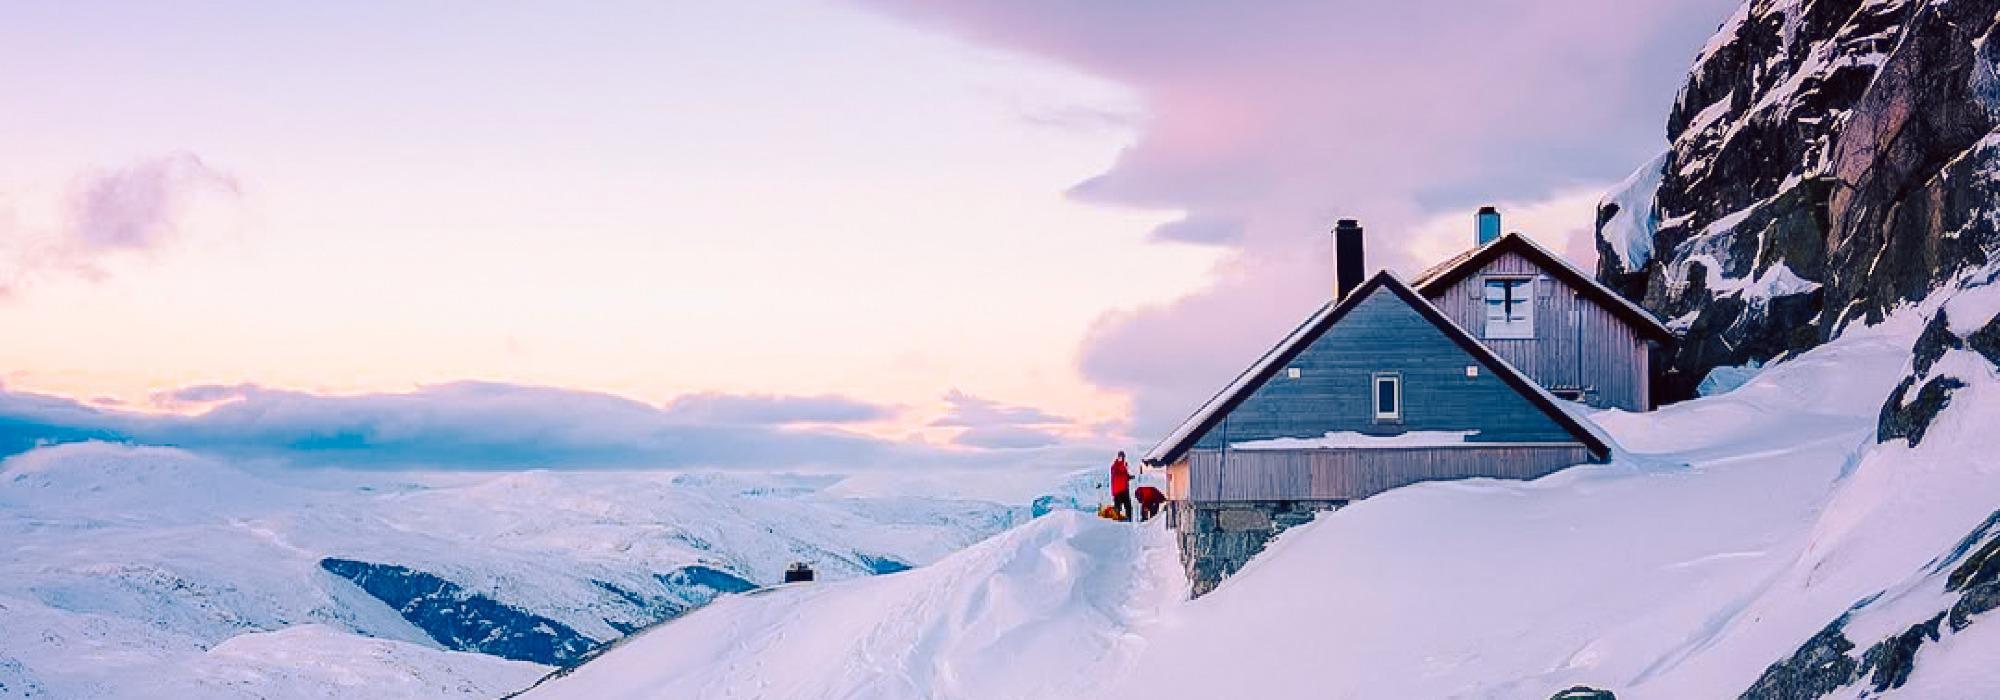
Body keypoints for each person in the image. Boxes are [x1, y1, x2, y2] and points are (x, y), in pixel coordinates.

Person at [1110, 451, 1133, 521]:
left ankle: (1129, 519)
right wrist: (1123, 466)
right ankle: (1117, 519)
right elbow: (1117, 475)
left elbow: (1124, 475)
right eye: (1121, 456)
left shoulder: (1123, 465)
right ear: (1118, 457)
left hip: (1124, 488)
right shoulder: (1115, 466)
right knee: (1118, 506)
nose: (1122, 458)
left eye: (1123, 456)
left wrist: (1129, 477)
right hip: (1118, 490)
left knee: (1127, 505)